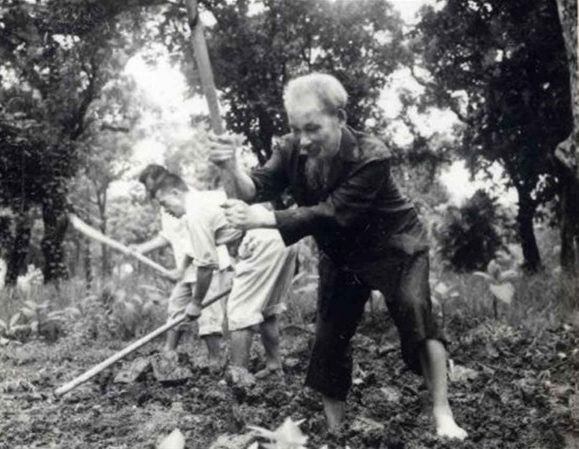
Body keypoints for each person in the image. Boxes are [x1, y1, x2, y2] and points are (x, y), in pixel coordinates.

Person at [208, 72, 468, 439]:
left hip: (395, 244)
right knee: (329, 336)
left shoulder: (373, 155)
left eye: (313, 128)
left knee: (415, 309)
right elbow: (254, 188)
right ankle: (337, 431)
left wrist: (265, 219)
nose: (303, 140)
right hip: (342, 252)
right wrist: (230, 165)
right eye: (296, 129)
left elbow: (333, 211)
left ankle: (442, 412)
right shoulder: (290, 149)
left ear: (340, 118)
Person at [142, 167, 298, 378]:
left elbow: (206, 265)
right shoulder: (209, 197)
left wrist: (196, 303)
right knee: (268, 310)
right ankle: (273, 365)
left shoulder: (194, 214)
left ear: (176, 193)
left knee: (239, 313)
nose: (166, 211)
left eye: (164, 203)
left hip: (263, 242)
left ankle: (238, 378)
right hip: (284, 236)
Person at [135, 164, 232, 372]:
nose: (150, 192)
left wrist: (181, 269)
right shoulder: (166, 204)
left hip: (206, 265)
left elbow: (195, 243)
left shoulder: (191, 202)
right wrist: (140, 248)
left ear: (166, 181)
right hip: (187, 270)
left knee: (208, 316)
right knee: (176, 308)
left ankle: (216, 363)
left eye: (151, 186)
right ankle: (168, 355)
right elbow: (167, 236)